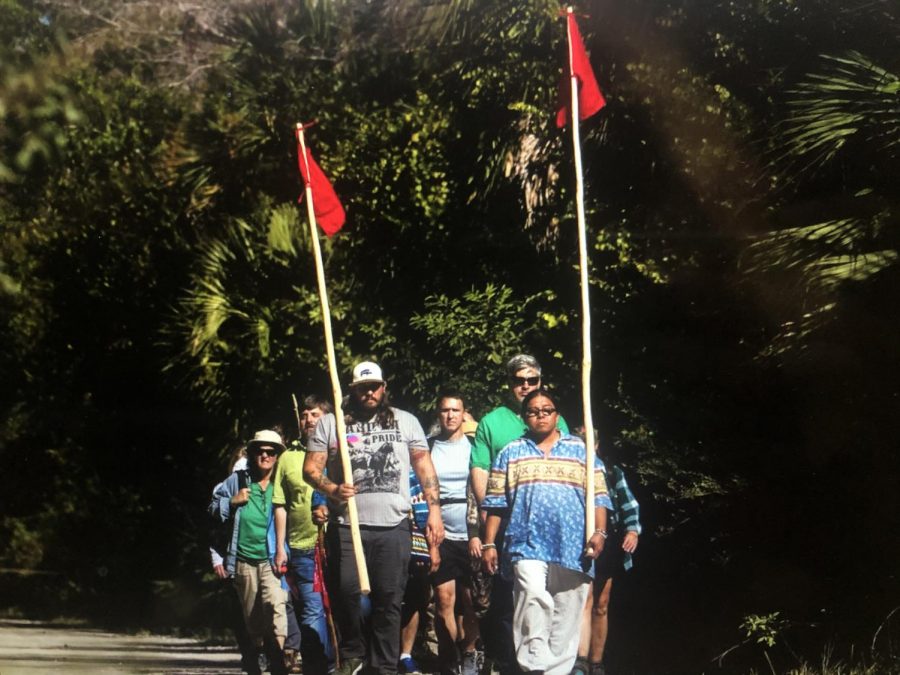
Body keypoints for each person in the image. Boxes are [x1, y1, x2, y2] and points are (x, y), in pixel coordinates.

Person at [304, 361, 445, 675]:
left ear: (384, 387)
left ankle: (383, 666)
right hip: (347, 526)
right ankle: (354, 655)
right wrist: (332, 488)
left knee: (389, 599)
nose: (369, 392)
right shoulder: (331, 423)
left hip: (394, 526)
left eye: (375, 386)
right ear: (352, 390)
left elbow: (424, 467)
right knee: (347, 592)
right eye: (362, 387)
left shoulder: (405, 422)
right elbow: (311, 469)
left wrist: (434, 511)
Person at [481, 390, 612, 675]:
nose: (540, 415)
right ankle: (534, 666)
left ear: (557, 415)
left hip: (572, 545)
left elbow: (600, 497)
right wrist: (489, 543)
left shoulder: (581, 451)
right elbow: (495, 503)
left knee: (567, 610)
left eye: (547, 410)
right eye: (533, 411)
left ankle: (557, 671)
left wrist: (600, 532)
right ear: (524, 417)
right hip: (525, 542)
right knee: (531, 594)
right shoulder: (511, 452)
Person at [469, 354, 569, 675]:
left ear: (540, 381)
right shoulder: (492, 421)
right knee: (505, 597)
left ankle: (548, 661)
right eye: (519, 381)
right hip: (506, 519)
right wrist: (489, 519)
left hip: (548, 522)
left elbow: (570, 465)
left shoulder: (555, 417)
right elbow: (480, 470)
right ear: (509, 383)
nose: (526, 386)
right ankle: (509, 661)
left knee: (547, 593)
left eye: (532, 380)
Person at [210, 429, 292, 675]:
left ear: (278, 456)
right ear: (252, 453)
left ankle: (279, 661)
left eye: (271, 452)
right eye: (260, 451)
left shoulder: (282, 481)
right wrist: (231, 502)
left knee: (276, 605)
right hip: (244, 558)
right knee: (253, 617)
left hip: (272, 557)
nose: (265, 456)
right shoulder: (237, 480)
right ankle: (258, 654)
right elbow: (212, 509)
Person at [273, 395, 335, 673]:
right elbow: (280, 504)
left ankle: (346, 662)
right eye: (305, 415)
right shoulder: (288, 457)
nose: (308, 420)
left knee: (350, 606)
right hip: (302, 546)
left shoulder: (345, 449)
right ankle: (320, 666)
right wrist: (280, 546)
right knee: (312, 609)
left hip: (339, 542)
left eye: (315, 415)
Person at [571, 436, 641, 675]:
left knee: (601, 603)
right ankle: (580, 660)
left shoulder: (610, 472)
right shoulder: (569, 467)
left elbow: (628, 503)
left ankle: (596, 661)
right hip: (576, 542)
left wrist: (632, 529)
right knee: (583, 600)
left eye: (589, 438)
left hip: (606, 543)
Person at [429, 391, 480, 675]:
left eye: (455, 410)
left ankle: (470, 652)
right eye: (445, 410)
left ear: (464, 414)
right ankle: (449, 659)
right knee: (444, 600)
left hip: (471, 530)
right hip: (441, 532)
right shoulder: (428, 447)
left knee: (471, 601)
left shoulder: (475, 447)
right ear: (439, 414)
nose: (450, 415)